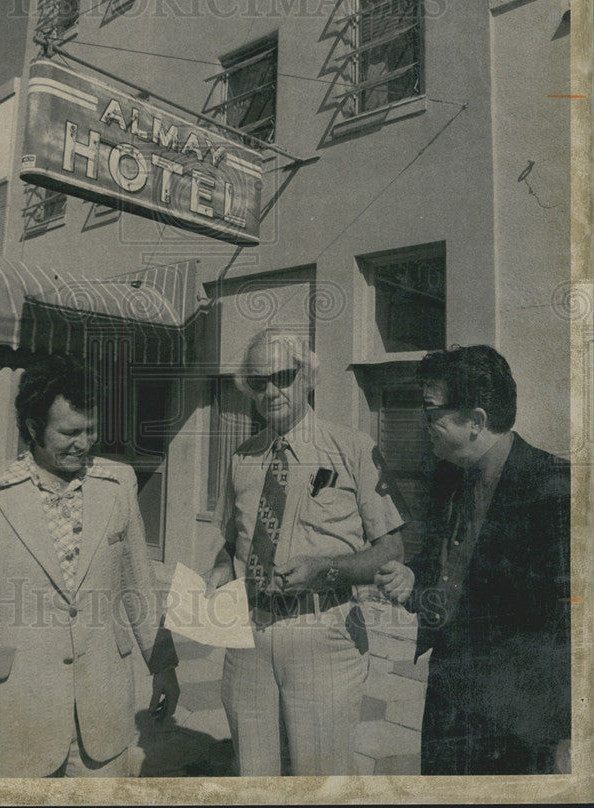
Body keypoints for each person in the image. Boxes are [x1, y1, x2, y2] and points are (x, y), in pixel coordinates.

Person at [0, 355, 179, 778]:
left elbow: (139, 586)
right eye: (69, 433)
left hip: (104, 717)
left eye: (91, 430)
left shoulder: (118, 483)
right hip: (13, 718)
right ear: (33, 428)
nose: (84, 444)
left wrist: (164, 666)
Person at [206, 329, 404, 776]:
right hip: (250, 635)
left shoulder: (353, 449)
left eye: (283, 376)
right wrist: (221, 568)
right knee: (254, 777)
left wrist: (327, 568)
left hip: (324, 631)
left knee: (319, 777)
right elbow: (229, 539)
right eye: (258, 382)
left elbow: (392, 548)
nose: (270, 391)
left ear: (308, 377)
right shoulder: (242, 457)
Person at [376, 344, 571, 774]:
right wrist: (413, 583)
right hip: (448, 694)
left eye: (431, 413)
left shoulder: (555, 487)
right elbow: (438, 568)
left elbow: (573, 622)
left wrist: (566, 732)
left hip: (518, 714)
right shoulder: (447, 474)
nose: (423, 425)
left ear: (476, 421)